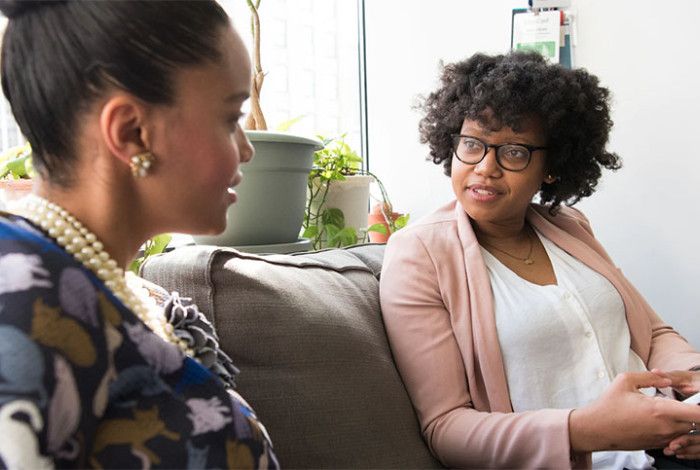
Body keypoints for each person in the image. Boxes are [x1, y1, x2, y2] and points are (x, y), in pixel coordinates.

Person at [380, 51, 700, 469]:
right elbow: (447, 427)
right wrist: (586, 430)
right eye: (472, 145)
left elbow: (652, 333)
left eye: (514, 152)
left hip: (670, 445)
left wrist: (691, 389)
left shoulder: (569, 225)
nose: (486, 168)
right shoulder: (418, 255)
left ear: (551, 166)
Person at [0, 0, 279, 467]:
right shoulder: (23, 297)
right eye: (231, 119)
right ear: (132, 132)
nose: (246, 150)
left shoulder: (116, 290)